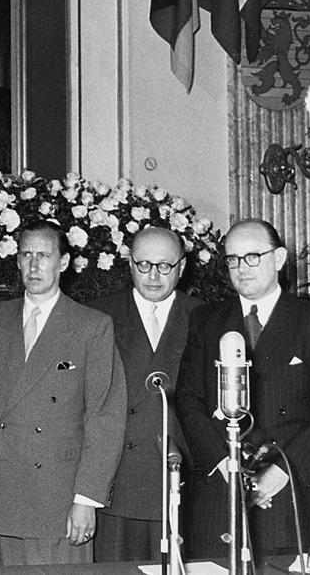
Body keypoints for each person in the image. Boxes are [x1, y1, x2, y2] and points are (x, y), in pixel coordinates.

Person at [176, 218, 310, 560]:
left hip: (291, 493)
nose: (242, 268)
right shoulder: (206, 320)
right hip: (221, 491)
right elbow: (189, 398)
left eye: (253, 256)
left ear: (279, 258)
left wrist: (283, 472)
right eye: (233, 259)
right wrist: (225, 463)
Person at [0, 220, 126, 565]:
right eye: (26, 255)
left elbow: (104, 417)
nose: (33, 266)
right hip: (2, 495)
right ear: (16, 261)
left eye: (43, 256)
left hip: (58, 499)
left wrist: (86, 499)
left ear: (63, 263)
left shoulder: (91, 326)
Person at [88, 226, 202, 562]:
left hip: (181, 481)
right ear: (129, 264)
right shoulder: (98, 316)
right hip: (117, 480)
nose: (154, 276)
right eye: (143, 265)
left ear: (182, 267)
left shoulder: (204, 316)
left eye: (165, 266)